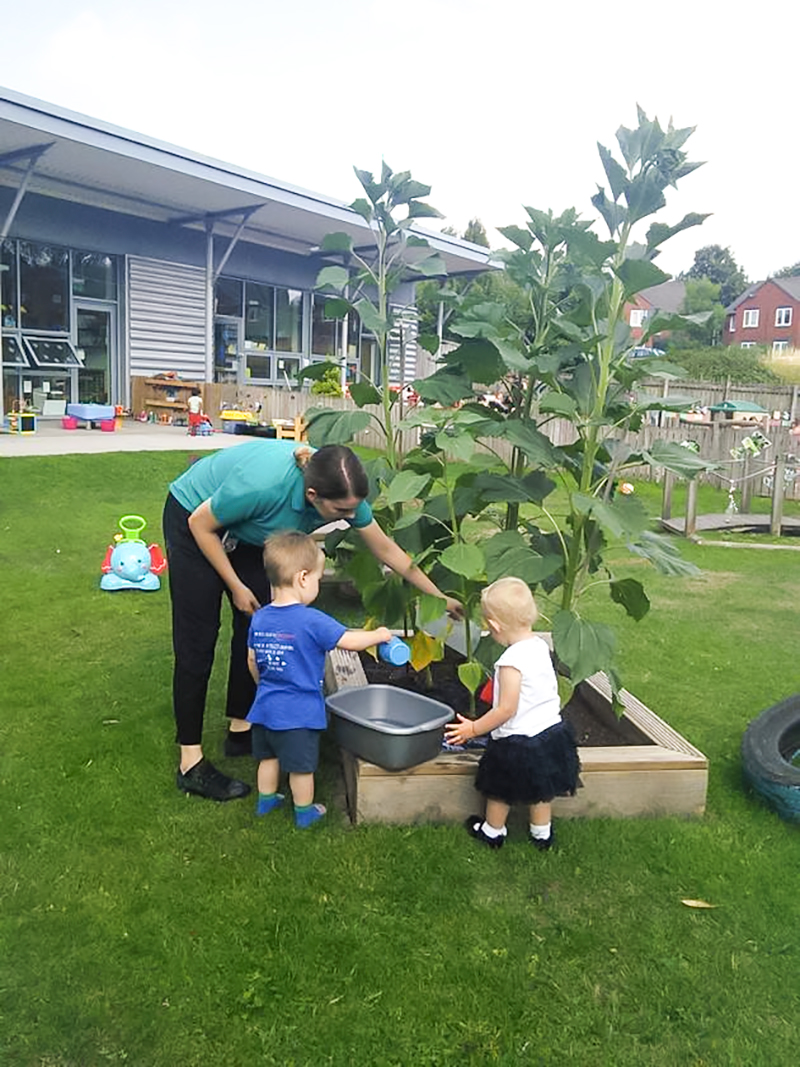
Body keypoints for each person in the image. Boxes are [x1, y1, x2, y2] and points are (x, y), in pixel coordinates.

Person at [163, 440, 462, 801]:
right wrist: (235, 585)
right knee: (198, 638)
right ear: (312, 493)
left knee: (260, 624)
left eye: (355, 509)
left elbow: (385, 549)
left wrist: (437, 596)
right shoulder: (264, 486)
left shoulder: (344, 490)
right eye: (342, 511)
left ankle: (241, 728)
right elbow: (200, 523)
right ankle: (190, 763)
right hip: (195, 519)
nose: (351, 517)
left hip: (249, 532)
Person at [247, 531, 393, 827]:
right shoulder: (312, 620)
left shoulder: (260, 617)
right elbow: (349, 641)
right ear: (302, 578)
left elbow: (251, 659)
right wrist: (379, 635)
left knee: (268, 758)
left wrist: (262, 686)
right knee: (301, 768)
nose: (316, 584)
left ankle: (266, 801)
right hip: (299, 712)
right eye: (316, 578)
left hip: (264, 706)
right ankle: (305, 813)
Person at [444, 577, 580, 851]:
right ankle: (541, 834)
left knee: (499, 789)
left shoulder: (510, 662)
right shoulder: (540, 646)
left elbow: (506, 709)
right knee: (542, 789)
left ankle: (493, 831)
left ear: (494, 626)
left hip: (517, 742)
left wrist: (474, 729)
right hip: (550, 734)